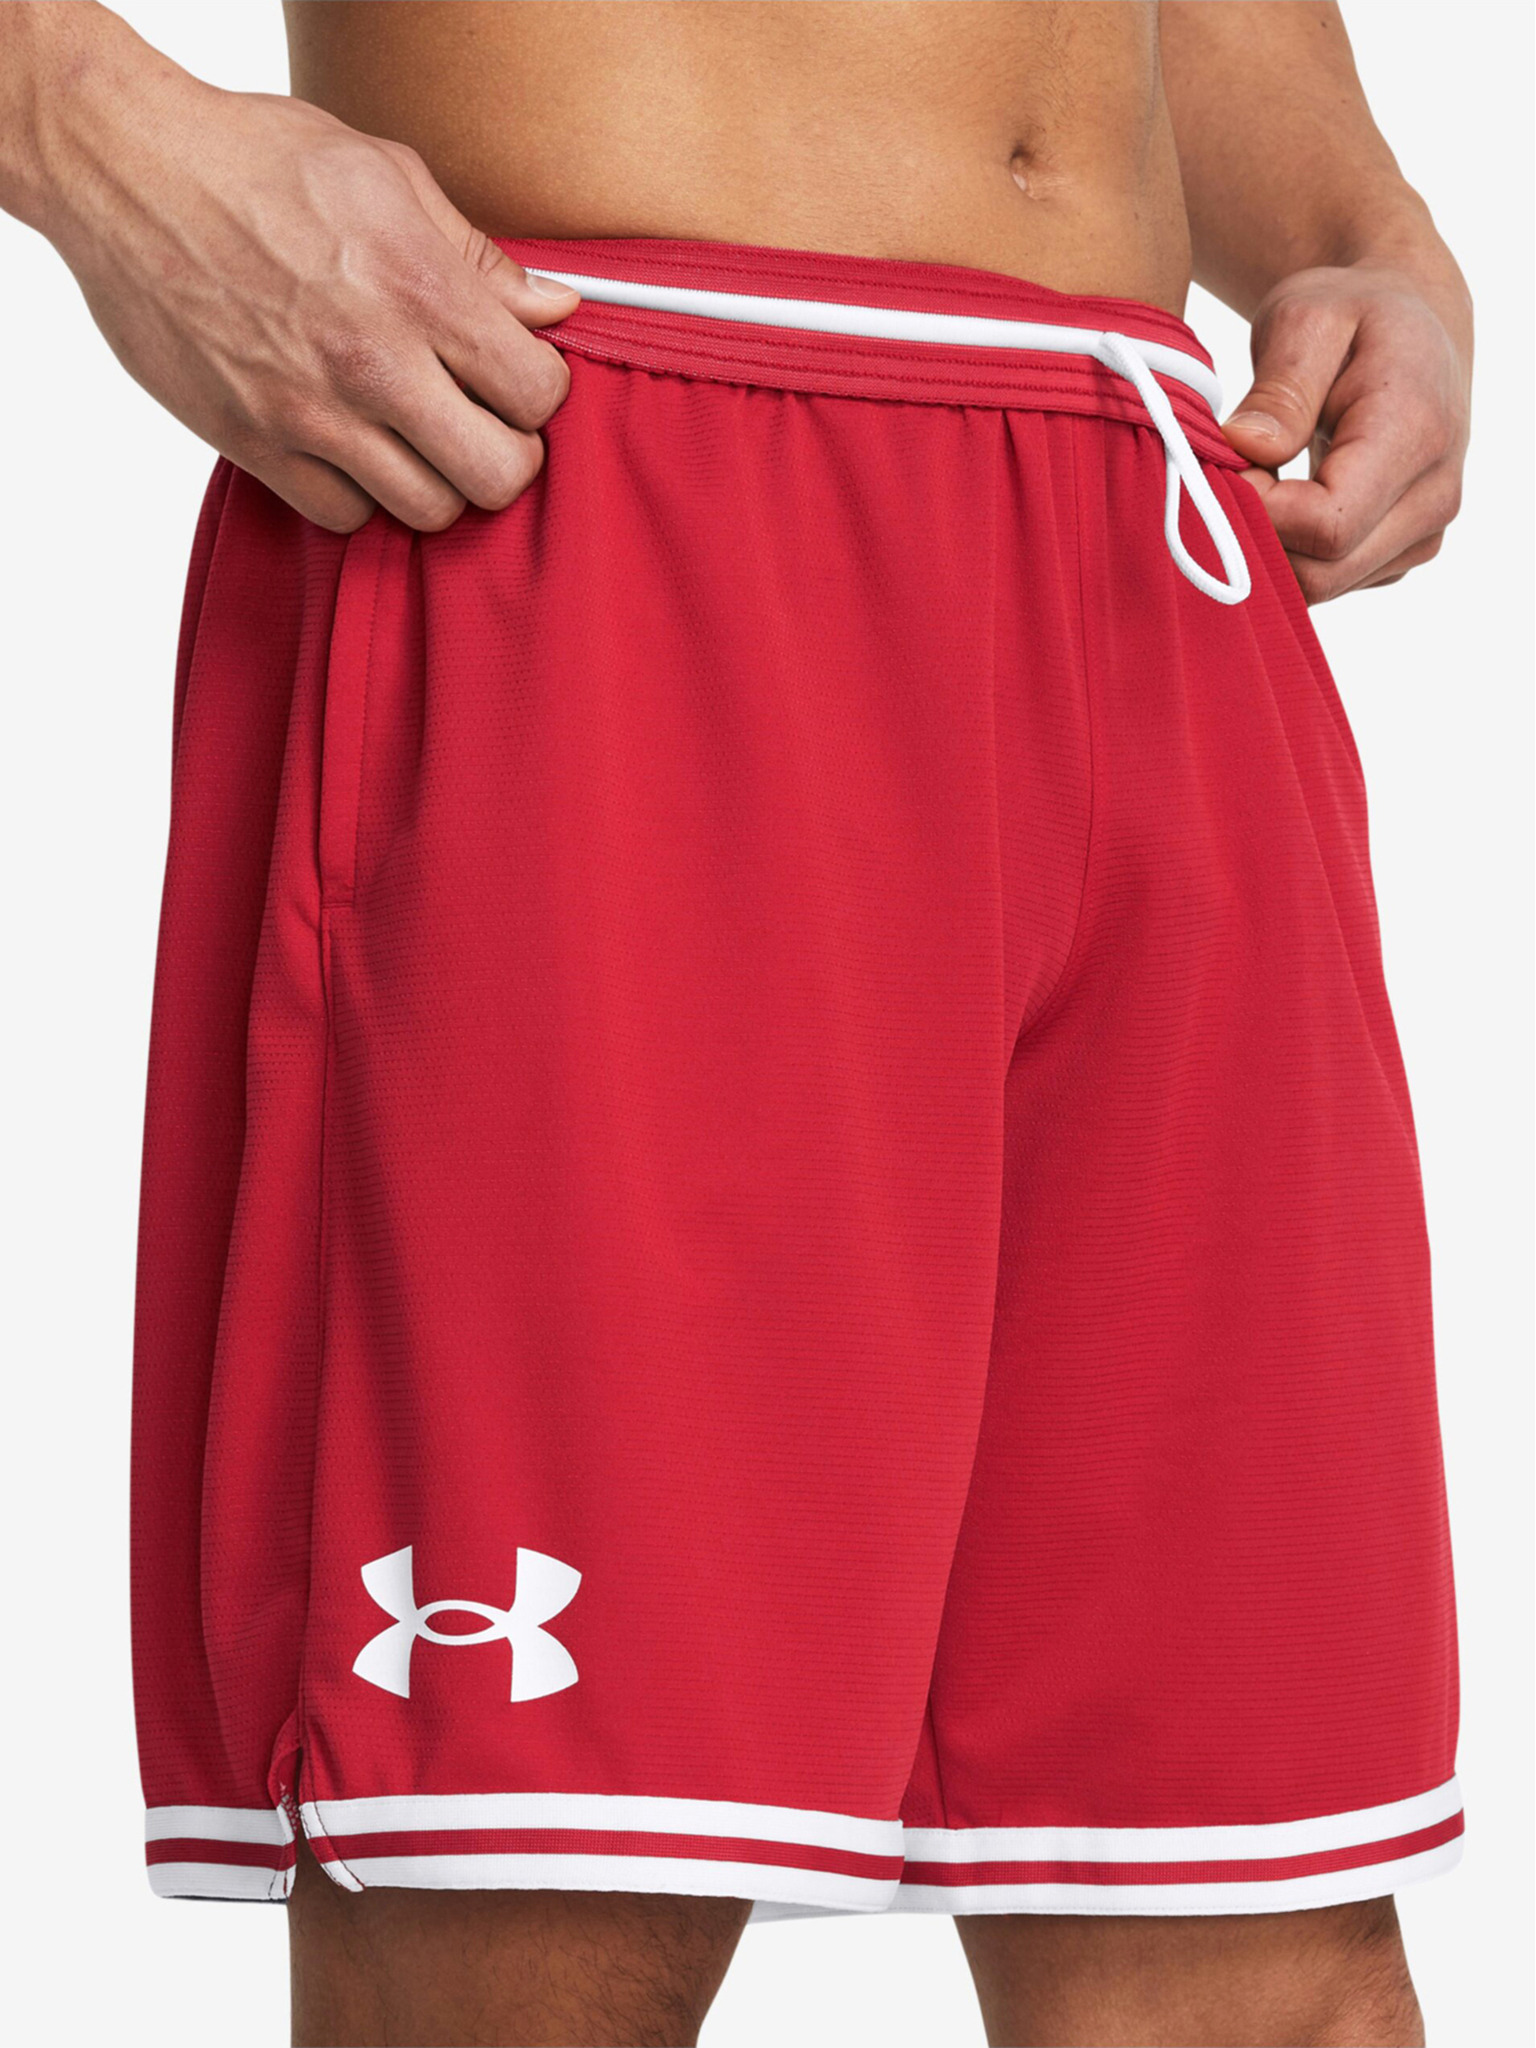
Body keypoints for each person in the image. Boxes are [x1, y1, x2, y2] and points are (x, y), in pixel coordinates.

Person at [0, 5, 1471, 2044]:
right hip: (601, 461)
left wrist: (1366, 232)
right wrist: (85, 121)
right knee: (549, 1903)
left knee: (1253, 1943)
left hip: (1151, 517)